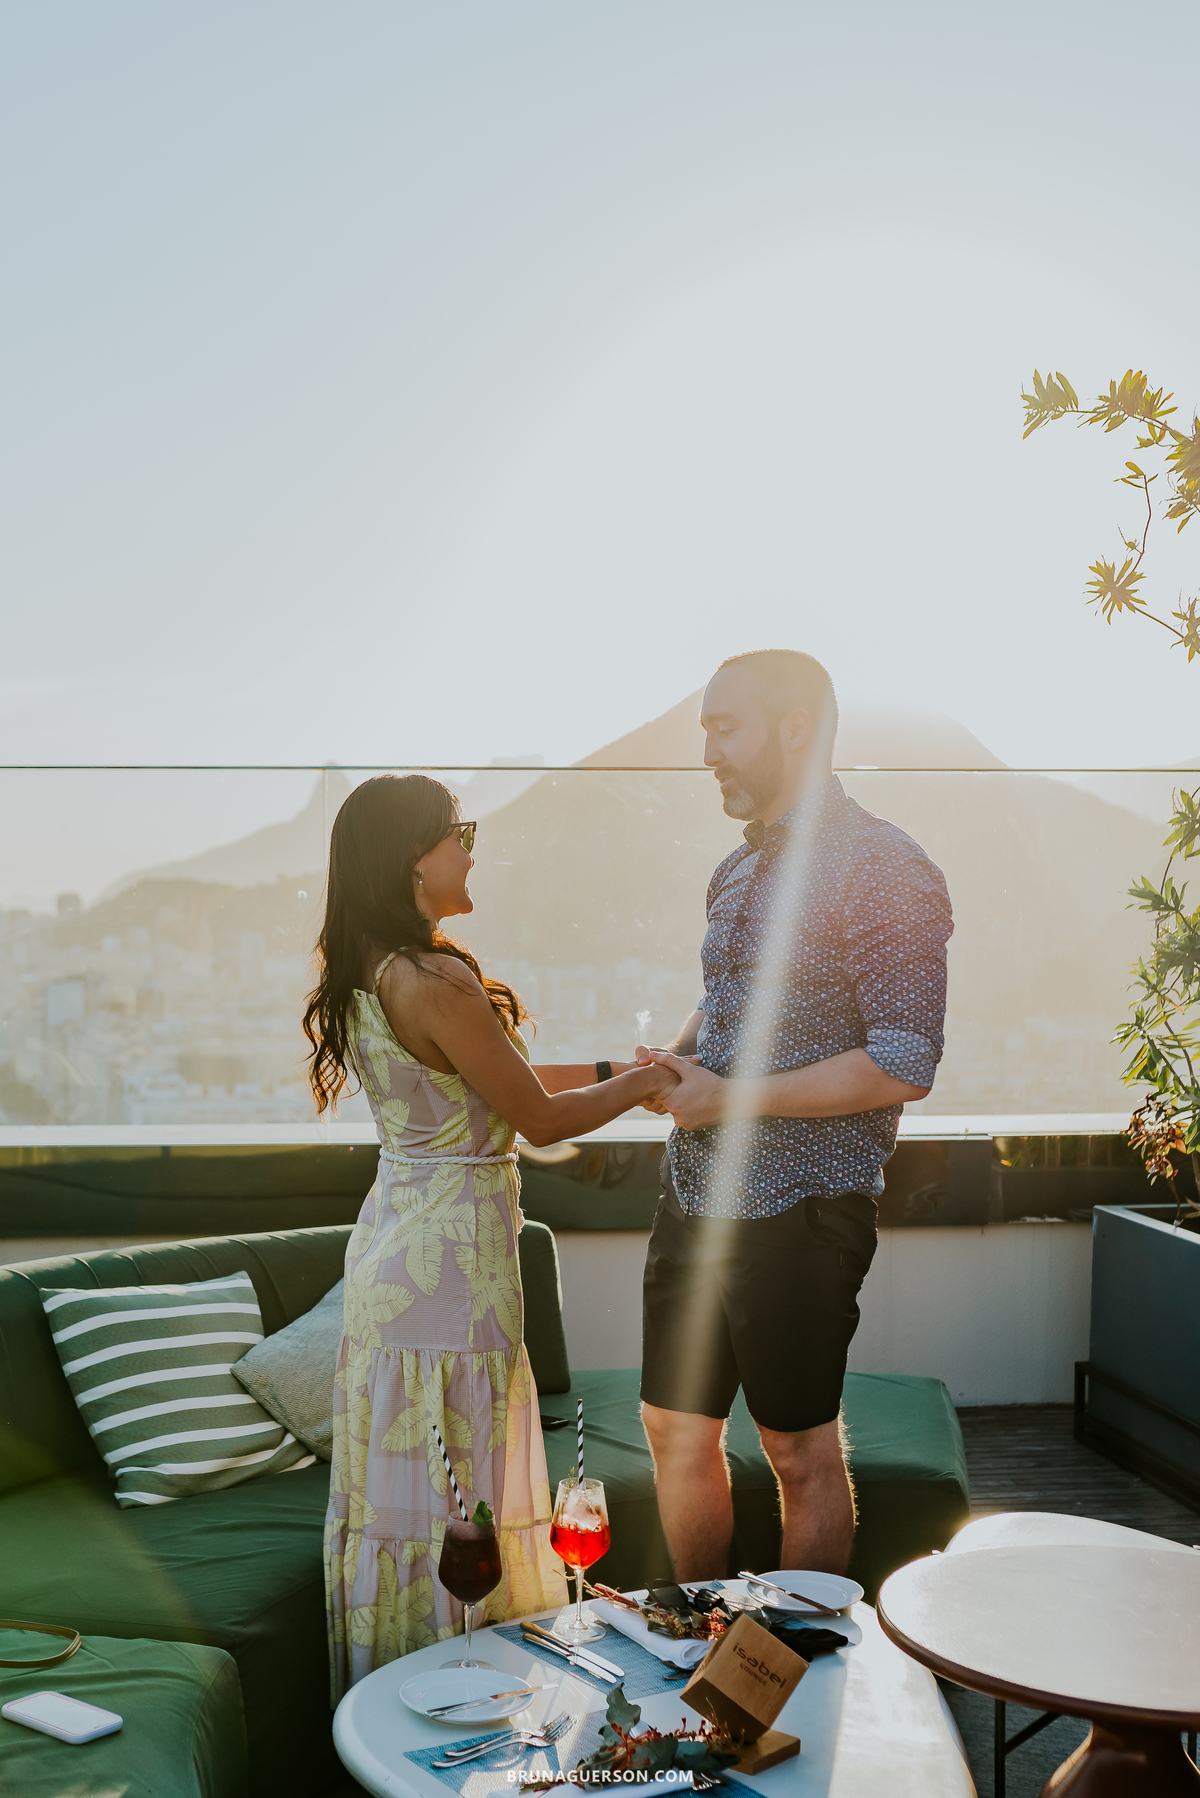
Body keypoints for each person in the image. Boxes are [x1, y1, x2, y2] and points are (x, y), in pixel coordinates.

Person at [303, 773, 677, 1694]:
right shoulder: (438, 975)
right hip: (451, 1279)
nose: (472, 847)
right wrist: (652, 1082)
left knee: (408, 1509)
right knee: (463, 1505)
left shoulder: (370, 973)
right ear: (412, 858)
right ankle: (475, 1702)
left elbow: (489, 1075)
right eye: (457, 832)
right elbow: (540, 1122)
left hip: (396, 1259)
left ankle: (396, 1711)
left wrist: (604, 1069)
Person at [636, 649, 953, 1580]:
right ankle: (703, 1651)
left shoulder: (887, 866)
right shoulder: (733, 872)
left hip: (802, 1209)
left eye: (723, 727)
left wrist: (728, 1099)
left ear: (797, 729)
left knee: (798, 1454)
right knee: (671, 1428)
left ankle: (795, 1682)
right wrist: (676, 1062)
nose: (707, 753)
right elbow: (727, 1003)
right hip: (693, 1195)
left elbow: (905, 1060)